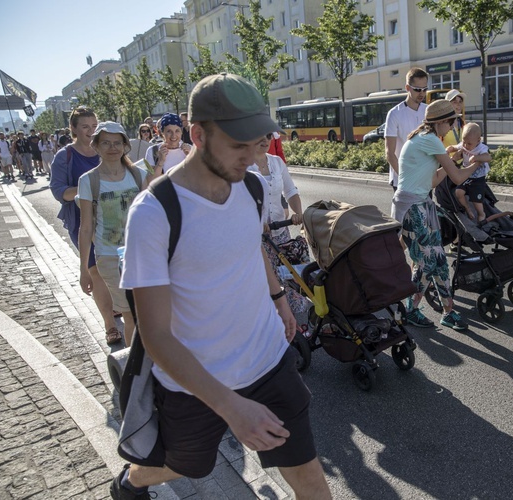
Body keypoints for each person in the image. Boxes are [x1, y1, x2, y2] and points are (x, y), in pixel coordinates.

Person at [114, 73, 331, 500]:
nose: (252, 158)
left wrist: (278, 301)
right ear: (197, 134)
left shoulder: (251, 188)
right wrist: (231, 408)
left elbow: (253, 248)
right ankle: (130, 481)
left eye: (259, 143)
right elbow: (154, 334)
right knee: (180, 466)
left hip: (268, 360)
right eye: (238, 145)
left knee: (306, 473)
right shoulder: (154, 213)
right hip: (194, 382)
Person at [391, 100, 482, 331]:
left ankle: (448, 312)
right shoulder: (429, 139)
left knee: (438, 261)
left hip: (421, 204)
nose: (452, 129)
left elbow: (432, 180)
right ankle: (411, 310)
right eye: (451, 124)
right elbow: (459, 178)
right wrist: (477, 163)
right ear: (441, 122)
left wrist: (449, 159)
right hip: (412, 207)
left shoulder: (422, 138)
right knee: (426, 262)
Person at [50, 107, 119, 345]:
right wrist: (87, 189)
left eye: (93, 126)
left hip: (112, 218)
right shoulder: (65, 156)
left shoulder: (107, 149)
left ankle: (116, 306)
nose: (91, 131)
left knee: (116, 268)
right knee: (95, 270)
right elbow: (59, 191)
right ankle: (110, 325)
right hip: (81, 221)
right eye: (85, 127)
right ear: (74, 129)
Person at [78, 122, 150, 346]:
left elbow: (152, 218)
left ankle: (155, 367)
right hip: (110, 258)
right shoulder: (88, 180)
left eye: (117, 143)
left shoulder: (139, 175)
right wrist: (84, 269)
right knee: (130, 317)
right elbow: (86, 227)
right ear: (96, 146)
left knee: (150, 315)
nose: (112, 148)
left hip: (143, 255)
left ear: (125, 146)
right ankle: (135, 371)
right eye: (106, 143)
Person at [247, 132, 311, 328]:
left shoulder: (276, 162)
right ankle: (272, 318)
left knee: (286, 271)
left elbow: (290, 190)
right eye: (260, 135)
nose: (265, 139)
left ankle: (289, 315)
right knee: (267, 276)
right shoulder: (244, 166)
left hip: (280, 228)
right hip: (258, 235)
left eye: (268, 135)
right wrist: (257, 221)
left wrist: (298, 213)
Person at [385, 67, 429, 192]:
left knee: (426, 212)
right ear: (407, 88)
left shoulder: (428, 111)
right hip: (403, 180)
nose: (422, 93)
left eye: (425, 89)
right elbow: (389, 153)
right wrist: (406, 178)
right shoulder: (395, 114)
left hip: (424, 179)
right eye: (417, 89)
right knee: (405, 213)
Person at [447, 122, 493, 222]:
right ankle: (467, 208)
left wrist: (477, 157)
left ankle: (481, 214)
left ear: (478, 141)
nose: (465, 145)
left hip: (478, 178)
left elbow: (488, 157)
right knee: (458, 192)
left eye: (469, 144)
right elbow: (455, 147)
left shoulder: (481, 148)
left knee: (476, 200)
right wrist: (449, 149)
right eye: (464, 142)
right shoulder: (464, 144)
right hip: (467, 175)